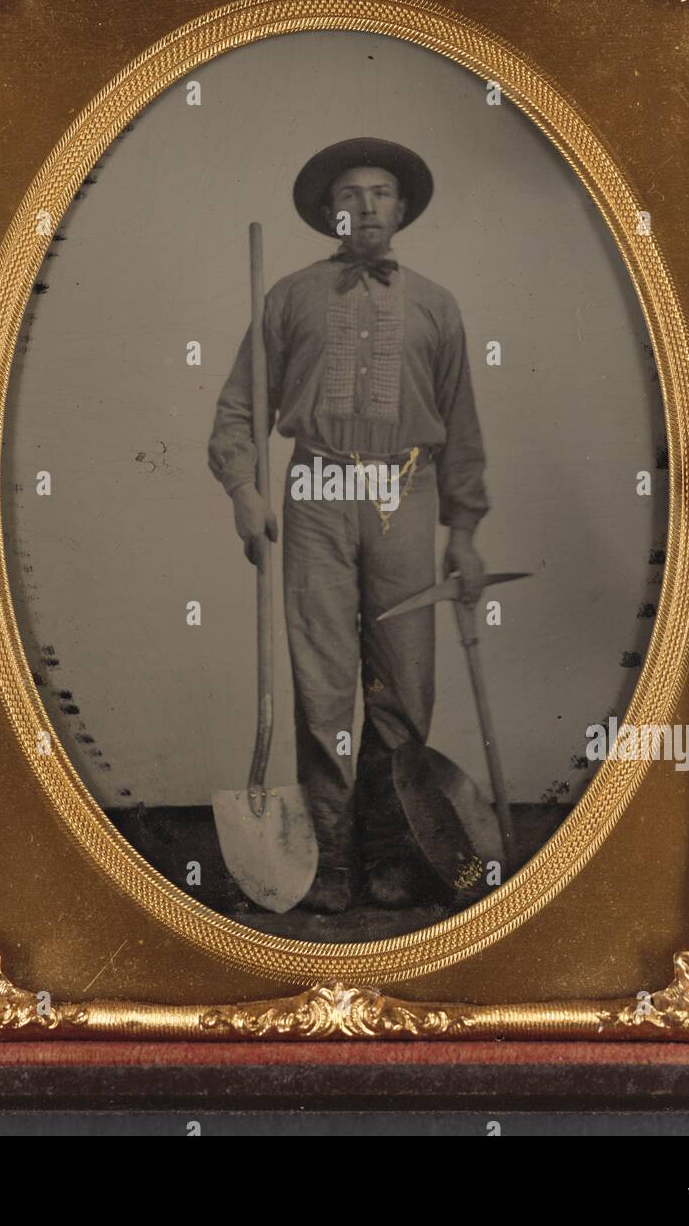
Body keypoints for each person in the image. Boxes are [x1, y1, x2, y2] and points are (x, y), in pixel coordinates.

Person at [208, 138, 489, 913]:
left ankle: (392, 854)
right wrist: (242, 489)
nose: (366, 206)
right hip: (316, 491)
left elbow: (460, 429)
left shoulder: (436, 304)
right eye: (352, 194)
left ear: (401, 210)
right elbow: (239, 411)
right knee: (324, 682)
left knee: (403, 681)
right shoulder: (288, 298)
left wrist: (463, 529)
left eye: (381, 193)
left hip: (407, 492)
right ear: (330, 213)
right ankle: (328, 858)